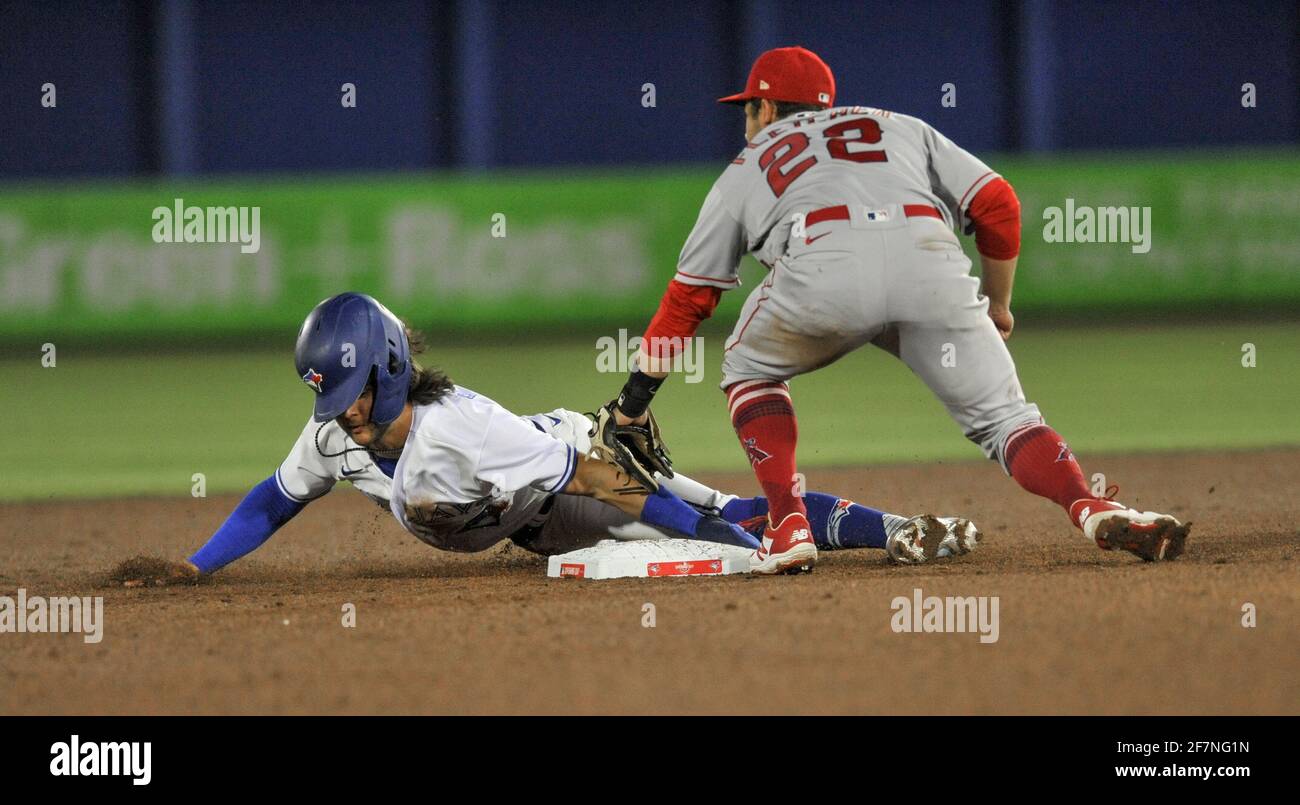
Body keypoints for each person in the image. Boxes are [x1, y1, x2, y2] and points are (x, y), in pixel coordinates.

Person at [605, 46, 1188, 575]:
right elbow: (998, 204)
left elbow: (691, 297)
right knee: (1008, 418)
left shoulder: (747, 165)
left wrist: (633, 404)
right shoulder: (900, 126)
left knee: (749, 370)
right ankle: (1092, 506)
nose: (747, 119)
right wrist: (999, 306)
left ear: (766, 106)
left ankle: (787, 525)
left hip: (822, 270)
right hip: (929, 260)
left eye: (749, 108)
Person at [119, 293, 979, 587]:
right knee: (719, 520)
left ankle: (898, 530)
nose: (340, 414)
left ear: (384, 369)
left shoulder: (464, 430)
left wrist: (713, 540)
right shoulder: (336, 439)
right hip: (525, 516)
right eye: (329, 399)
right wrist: (196, 567)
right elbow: (273, 500)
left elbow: (604, 481)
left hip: (566, 476)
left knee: (732, 518)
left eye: (348, 393)